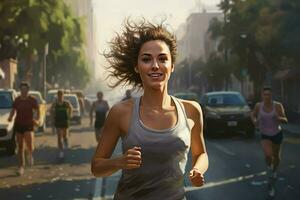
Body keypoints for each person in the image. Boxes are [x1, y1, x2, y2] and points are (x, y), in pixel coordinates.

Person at [91, 19, 208, 199]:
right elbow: (96, 167)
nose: (155, 65)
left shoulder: (192, 110)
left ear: (172, 65)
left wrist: (197, 170)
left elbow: (200, 154)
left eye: (162, 59)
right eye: (146, 59)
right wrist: (120, 162)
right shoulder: (121, 112)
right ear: (137, 67)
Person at [251, 86, 288, 197]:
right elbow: (252, 114)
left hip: (277, 134)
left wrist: (279, 118)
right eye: (265, 94)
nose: (267, 96)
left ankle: (274, 170)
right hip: (265, 134)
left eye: (269, 94)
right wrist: (254, 121)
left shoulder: (277, 106)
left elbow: (285, 119)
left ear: (272, 96)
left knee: (276, 157)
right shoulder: (259, 106)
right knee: (268, 155)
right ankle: (270, 170)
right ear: (262, 95)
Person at [8, 82, 39, 176]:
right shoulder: (17, 100)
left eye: (25, 89)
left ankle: (30, 154)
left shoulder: (32, 100)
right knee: (20, 146)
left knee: (29, 143)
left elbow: (37, 110)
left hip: (29, 124)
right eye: (22, 89)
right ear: (20, 90)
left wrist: (37, 119)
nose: (23, 91)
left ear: (28, 90)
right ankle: (21, 167)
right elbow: (13, 110)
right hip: (19, 124)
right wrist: (10, 117)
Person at [50, 90, 73, 159]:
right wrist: (53, 117)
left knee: (64, 136)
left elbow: (71, 108)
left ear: (63, 95)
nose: (60, 96)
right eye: (59, 95)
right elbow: (51, 110)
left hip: (65, 121)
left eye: (61, 95)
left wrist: (70, 115)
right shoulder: (55, 103)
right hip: (58, 121)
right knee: (59, 137)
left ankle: (66, 141)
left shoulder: (66, 103)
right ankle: (61, 151)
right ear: (57, 95)